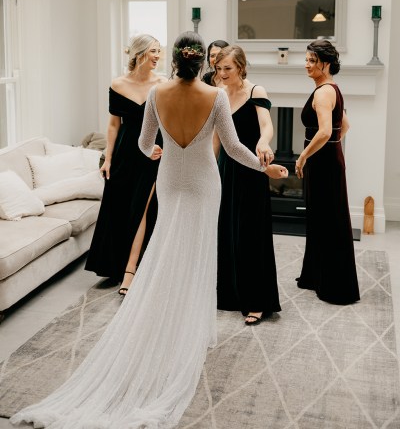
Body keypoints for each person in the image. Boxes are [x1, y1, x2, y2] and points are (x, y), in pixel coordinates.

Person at [10, 32, 288, 429]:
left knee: (167, 250)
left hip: (171, 181)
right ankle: (189, 333)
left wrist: (158, 152)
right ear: (201, 64)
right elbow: (233, 148)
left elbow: (142, 144)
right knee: (199, 254)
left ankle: (168, 326)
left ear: (175, 60)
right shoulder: (217, 96)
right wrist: (266, 167)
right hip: (205, 184)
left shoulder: (158, 94)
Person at [85, 34, 166, 296]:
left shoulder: (162, 83)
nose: (157, 56)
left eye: (159, 51)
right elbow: (113, 125)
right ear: (140, 53)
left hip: (153, 151)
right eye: (154, 51)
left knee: (143, 207)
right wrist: (107, 158)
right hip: (124, 153)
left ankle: (137, 266)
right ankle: (115, 265)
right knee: (119, 205)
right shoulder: (118, 85)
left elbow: (168, 122)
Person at [213, 45, 281, 325]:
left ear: (241, 66)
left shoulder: (256, 92)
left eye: (227, 68)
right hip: (226, 170)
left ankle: (257, 301)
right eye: (218, 69)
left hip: (251, 170)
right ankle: (229, 295)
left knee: (251, 234)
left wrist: (264, 142)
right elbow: (217, 138)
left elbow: (266, 125)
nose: (222, 73)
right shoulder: (218, 93)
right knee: (226, 230)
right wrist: (210, 169)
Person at [295, 39, 360, 305]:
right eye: (307, 60)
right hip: (329, 159)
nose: (307, 65)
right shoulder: (332, 88)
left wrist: (302, 156)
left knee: (326, 218)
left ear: (327, 63)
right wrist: (334, 146)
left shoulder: (323, 93)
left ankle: (334, 286)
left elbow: (324, 131)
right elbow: (344, 125)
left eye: (313, 61)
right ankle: (316, 276)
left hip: (322, 162)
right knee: (325, 217)